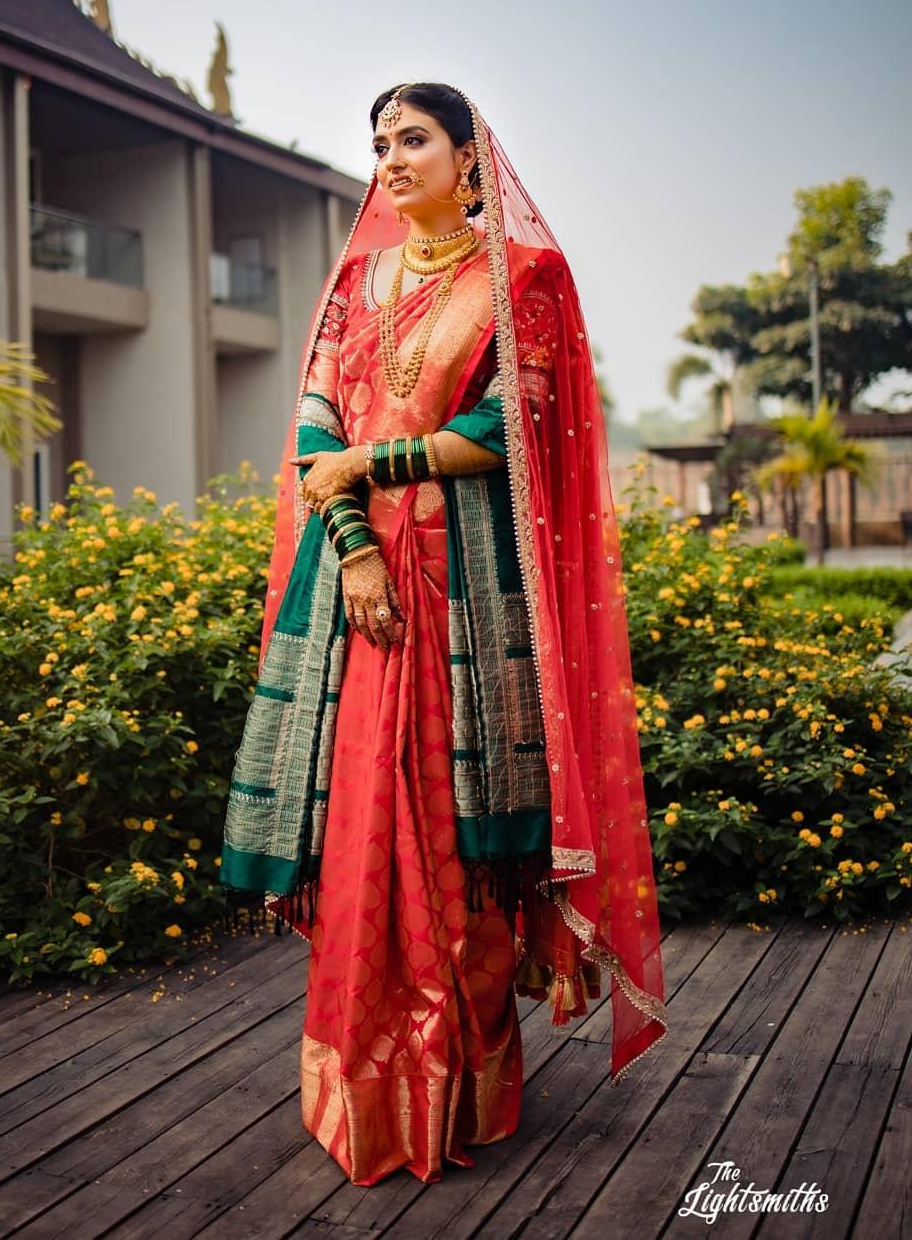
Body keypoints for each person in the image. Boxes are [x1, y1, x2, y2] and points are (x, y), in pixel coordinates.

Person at [218, 82, 668, 1186]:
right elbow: (315, 428)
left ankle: (454, 1083)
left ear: (470, 159)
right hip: (361, 593)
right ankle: (366, 1086)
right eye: (378, 142)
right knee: (362, 823)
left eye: (412, 138)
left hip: (468, 594)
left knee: (455, 832)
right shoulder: (352, 283)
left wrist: (377, 464)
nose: (390, 157)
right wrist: (353, 541)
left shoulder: (522, 280)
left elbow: (509, 426)